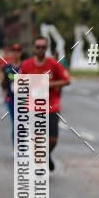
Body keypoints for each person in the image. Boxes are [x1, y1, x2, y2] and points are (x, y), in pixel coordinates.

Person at [19, 37, 71, 171]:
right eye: (38, 47)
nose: (40, 49)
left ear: (46, 48)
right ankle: (39, 166)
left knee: (52, 140)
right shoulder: (26, 65)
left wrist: (51, 84)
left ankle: (46, 155)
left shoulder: (53, 64)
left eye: (43, 47)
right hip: (33, 106)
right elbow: (20, 82)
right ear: (33, 48)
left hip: (52, 106)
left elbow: (67, 80)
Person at [0, 43, 23, 144]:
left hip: (24, 99)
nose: (15, 53)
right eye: (14, 51)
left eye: (17, 51)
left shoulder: (25, 66)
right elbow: (3, 84)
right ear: (11, 53)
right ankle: (16, 148)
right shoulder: (6, 68)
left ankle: (24, 146)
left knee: (24, 124)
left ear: (20, 53)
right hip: (11, 99)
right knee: (15, 123)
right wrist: (4, 97)